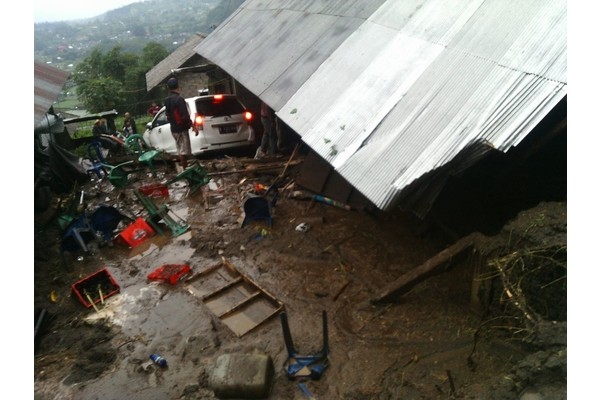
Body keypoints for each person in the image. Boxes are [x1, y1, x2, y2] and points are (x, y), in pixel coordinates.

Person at [164, 76, 196, 169]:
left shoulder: (167, 100)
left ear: (168, 88)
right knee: (183, 151)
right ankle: (186, 170)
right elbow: (185, 116)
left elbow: (168, 115)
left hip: (173, 129)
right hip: (181, 128)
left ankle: (185, 168)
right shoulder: (179, 99)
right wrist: (192, 125)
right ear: (178, 86)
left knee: (180, 149)